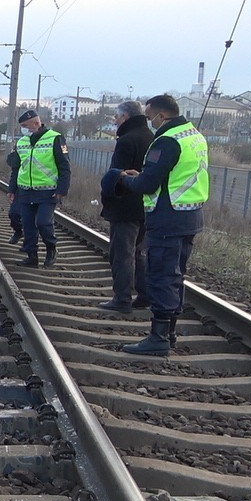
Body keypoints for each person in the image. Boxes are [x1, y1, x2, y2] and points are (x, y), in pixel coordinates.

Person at [111, 94, 209, 355]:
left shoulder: (166, 141)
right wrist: (143, 175)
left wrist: (123, 178)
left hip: (167, 217)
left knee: (161, 276)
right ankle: (171, 332)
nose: (150, 120)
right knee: (176, 275)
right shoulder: (194, 136)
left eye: (150, 115)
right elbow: (173, 175)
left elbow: (147, 185)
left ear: (161, 115)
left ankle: (159, 338)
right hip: (190, 215)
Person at [96, 100, 154, 313]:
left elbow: (117, 174)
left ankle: (122, 299)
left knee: (122, 254)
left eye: (116, 117)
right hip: (146, 205)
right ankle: (144, 295)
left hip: (125, 205)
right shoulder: (152, 137)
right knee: (140, 253)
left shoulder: (127, 140)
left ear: (125, 117)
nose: (115, 121)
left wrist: (109, 192)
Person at [8, 110, 70, 267]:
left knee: (43, 223)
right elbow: (16, 167)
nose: (23, 129)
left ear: (36, 123)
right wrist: (12, 189)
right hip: (25, 191)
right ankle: (32, 256)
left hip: (47, 191)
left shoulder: (55, 138)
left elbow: (64, 165)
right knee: (28, 225)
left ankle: (51, 248)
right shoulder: (22, 142)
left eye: (25, 126)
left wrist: (62, 189)